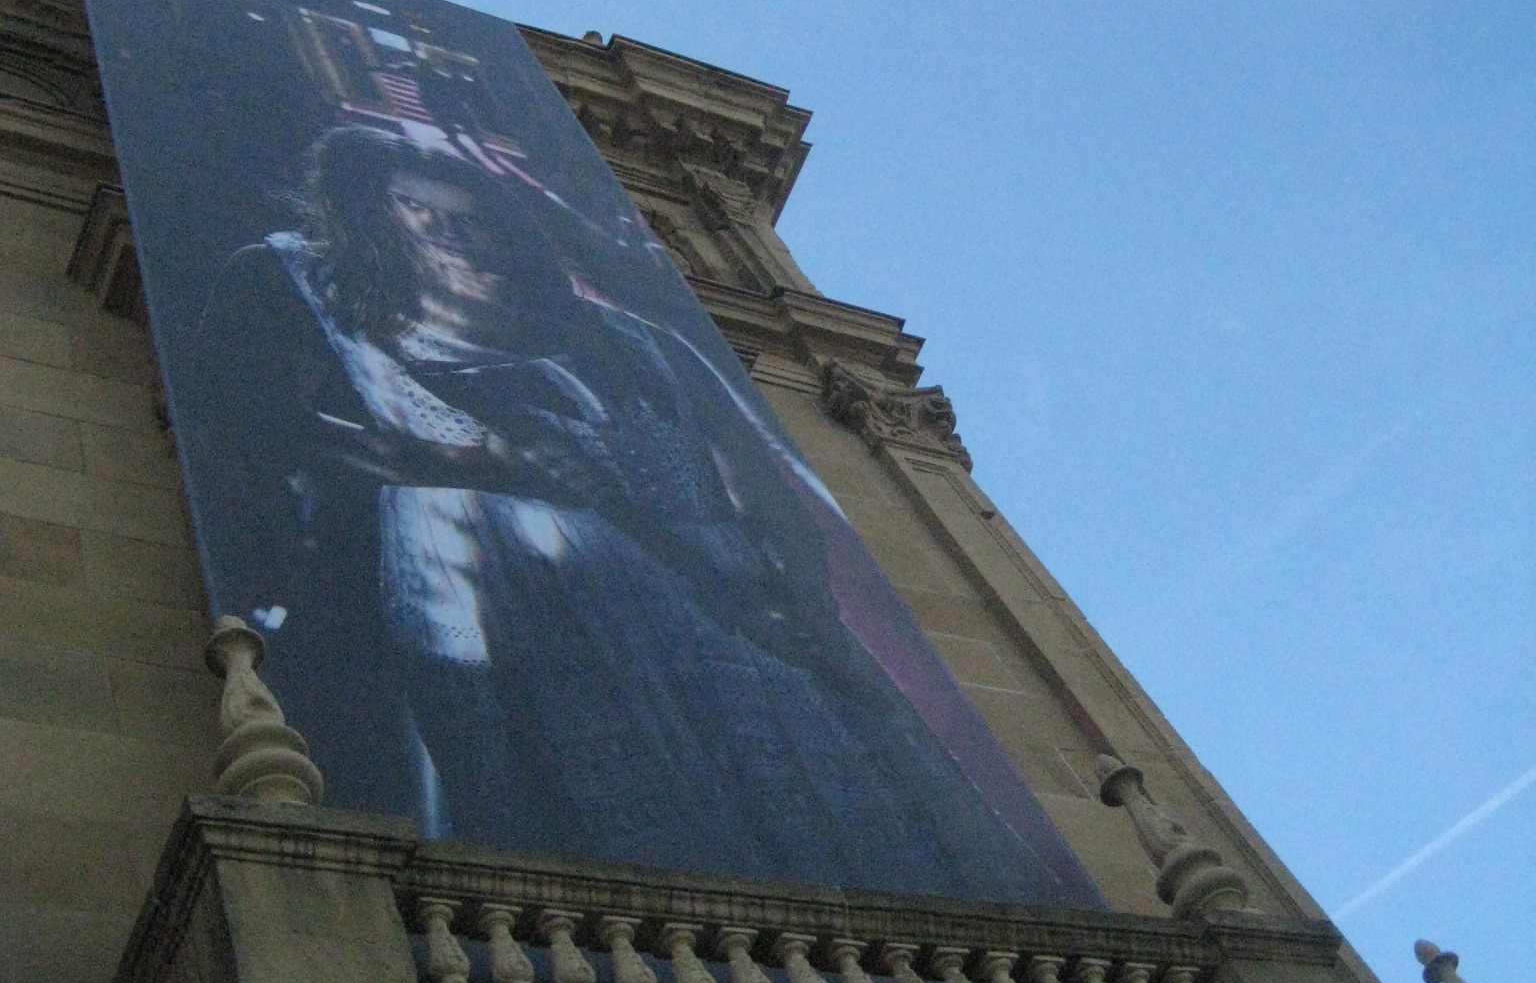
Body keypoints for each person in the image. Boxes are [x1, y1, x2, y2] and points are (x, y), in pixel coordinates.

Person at [190, 122, 1056, 898]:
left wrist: (789, 605)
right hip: (503, 649)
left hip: (737, 645)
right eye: (432, 225)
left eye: (481, 223)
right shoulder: (324, 316)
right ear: (376, 236)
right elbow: (274, 461)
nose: (468, 246)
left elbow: (760, 487)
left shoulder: (637, 344)